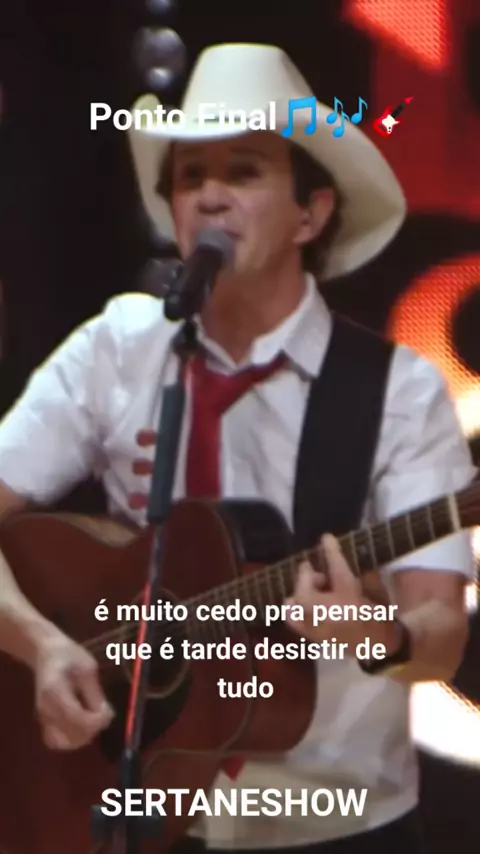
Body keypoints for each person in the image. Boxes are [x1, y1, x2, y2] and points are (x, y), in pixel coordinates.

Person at [0, 41, 476, 853]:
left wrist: (378, 636)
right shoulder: (117, 348)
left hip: (336, 823)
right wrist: (40, 646)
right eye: (190, 177)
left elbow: (439, 634)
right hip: (135, 817)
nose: (210, 196)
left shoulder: (397, 390)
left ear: (310, 214)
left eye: (243, 172)